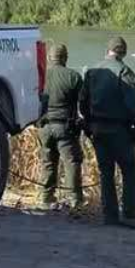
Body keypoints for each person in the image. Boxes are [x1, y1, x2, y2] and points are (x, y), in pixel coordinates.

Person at [80, 36, 135, 228]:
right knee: (129, 171)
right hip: (120, 130)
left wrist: (90, 123)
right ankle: (130, 215)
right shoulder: (125, 72)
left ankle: (109, 216)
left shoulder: (92, 71)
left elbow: (83, 102)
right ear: (123, 52)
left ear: (107, 50)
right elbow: (132, 106)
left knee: (106, 173)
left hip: (98, 130)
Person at [38, 43, 84, 209]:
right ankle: (75, 200)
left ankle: (46, 198)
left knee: (48, 162)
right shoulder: (73, 76)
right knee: (71, 162)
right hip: (64, 126)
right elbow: (83, 104)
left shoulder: (41, 76)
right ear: (65, 58)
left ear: (50, 58)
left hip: (44, 126)